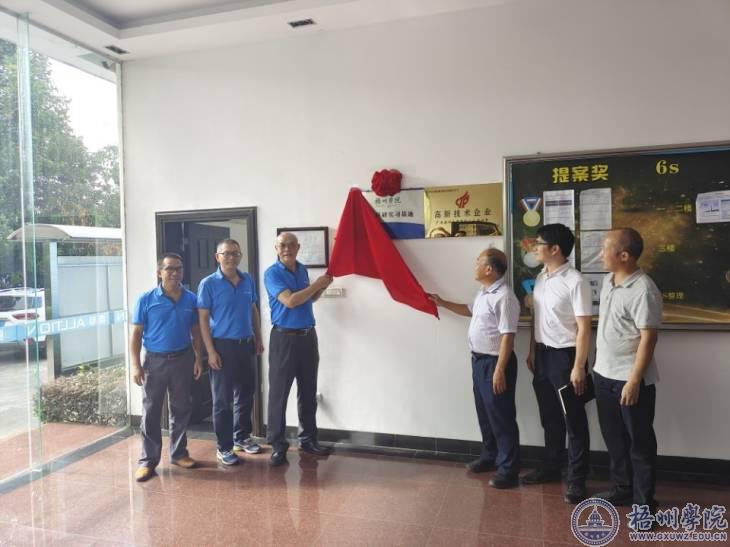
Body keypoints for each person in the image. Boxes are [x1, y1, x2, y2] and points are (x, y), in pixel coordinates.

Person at [429, 248, 521, 489]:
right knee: (486, 415)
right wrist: (443, 303)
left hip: (495, 363)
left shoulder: (505, 297)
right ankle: (490, 456)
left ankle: (508, 470)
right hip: (479, 362)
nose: (475, 265)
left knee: (501, 418)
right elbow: (469, 310)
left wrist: (499, 370)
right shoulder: (483, 293)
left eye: (478, 261)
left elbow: (508, 337)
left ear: (489, 269)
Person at [522, 223, 593, 504]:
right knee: (549, 417)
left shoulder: (575, 281)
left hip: (566, 357)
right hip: (543, 356)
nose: (534, 248)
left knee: (573, 421)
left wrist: (579, 366)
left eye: (539, 243)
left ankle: (577, 479)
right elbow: (537, 318)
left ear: (555, 249)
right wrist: (532, 350)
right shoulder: (541, 277)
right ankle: (552, 467)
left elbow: (584, 328)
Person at [593, 228, 662, 510]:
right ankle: (623, 488)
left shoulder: (644, 289)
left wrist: (634, 381)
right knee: (614, 438)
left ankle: (644, 504)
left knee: (639, 443)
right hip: (603, 374)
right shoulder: (609, 281)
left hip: (630, 380)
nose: (600, 254)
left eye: (605, 249)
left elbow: (649, 338)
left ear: (624, 255)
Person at [131, 253, 203, 482]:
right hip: (154, 362)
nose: (174, 273)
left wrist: (198, 358)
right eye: (169, 268)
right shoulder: (146, 299)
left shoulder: (191, 299)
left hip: (183, 359)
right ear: (159, 272)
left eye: (178, 269)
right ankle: (148, 461)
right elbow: (136, 335)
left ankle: (179, 453)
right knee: (151, 411)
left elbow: (196, 332)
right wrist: (136, 365)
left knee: (181, 408)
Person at [264, 232, 333, 467]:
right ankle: (277, 445)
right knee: (279, 394)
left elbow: (308, 300)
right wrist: (317, 285)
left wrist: (320, 289)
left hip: (307, 337)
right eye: (282, 245)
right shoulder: (272, 273)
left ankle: (308, 440)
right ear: (276, 248)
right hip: (283, 339)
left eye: (291, 245)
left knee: (308, 391)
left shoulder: (302, 269)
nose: (287, 249)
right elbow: (291, 301)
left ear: (298, 247)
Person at [197, 239, 263, 466]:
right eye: (226, 254)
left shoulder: (247, 280)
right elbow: (203, 319)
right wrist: (210, 352)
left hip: (246, 344)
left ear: (240, 256)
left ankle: (241, 437)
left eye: (235, 253)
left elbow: (253, 310)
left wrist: (258, 337)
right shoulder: (208, 284)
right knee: (222, 400)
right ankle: (224, 447)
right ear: (217, 257)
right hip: (222, 346)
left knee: (246, 394)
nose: (231, 257)